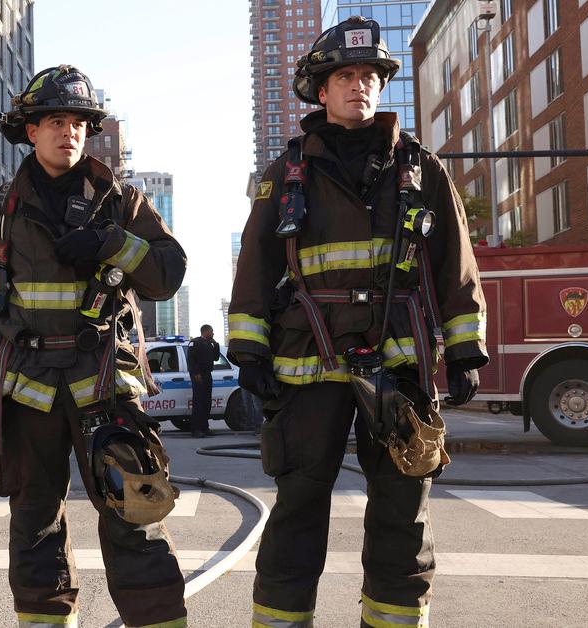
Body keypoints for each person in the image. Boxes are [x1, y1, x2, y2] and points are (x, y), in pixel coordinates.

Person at [228, 17, 487, 627]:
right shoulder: (283, 176)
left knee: (402, 507)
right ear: (321, 90)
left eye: (369, 76)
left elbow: (456, 261)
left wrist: (466, 349)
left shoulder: (420, 168)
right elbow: (256, 267)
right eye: (345, 76)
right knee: (298, 504)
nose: (359, 86)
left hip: (399, 361)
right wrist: (248, 351)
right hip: (307, 362)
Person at [0, 65, 188, 628]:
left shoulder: (121, 203)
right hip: (28, 391)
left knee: (137, 514)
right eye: (56, 121)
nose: (69, 132)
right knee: (35, 525)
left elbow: (167, 273)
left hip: (106, 385)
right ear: (31, 131)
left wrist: (110, 243)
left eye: (79, 122)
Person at [186, 324, 219, 438]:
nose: (213, 333)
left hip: (207, 375)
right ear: (206, 331)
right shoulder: (195, 342)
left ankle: (205, 427)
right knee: (199, 402)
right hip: (198, 376)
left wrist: (216, 345)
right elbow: (190, 360)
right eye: (211, 331)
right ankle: (196, 429)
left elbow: (216, 358)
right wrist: (196, 373)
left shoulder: (209, 344)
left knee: (206, 402)